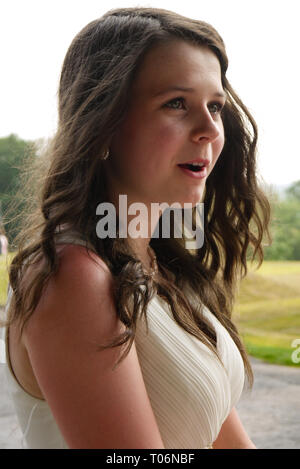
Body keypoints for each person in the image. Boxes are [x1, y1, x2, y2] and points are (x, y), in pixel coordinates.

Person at [1, 7, 271, 449]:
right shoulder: (74, 276)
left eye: (216, 106)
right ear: (103, 126)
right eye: (176, 103)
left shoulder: (160, 266)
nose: (209, 129)